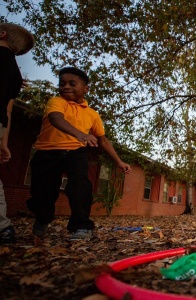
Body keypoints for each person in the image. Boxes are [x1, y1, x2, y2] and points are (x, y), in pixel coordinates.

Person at [26, 67, 131, 241]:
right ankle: (42, 219)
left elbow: (102, 140)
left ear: (85, 88)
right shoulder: (57, 102)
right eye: (62, 84)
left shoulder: (92, 114)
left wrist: (119, 161)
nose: (66, 87)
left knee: (81, 187)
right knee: (43, 193)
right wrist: (80, 134)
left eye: (72, 83)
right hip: (47, 153)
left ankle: (81, 226)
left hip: (75, 152)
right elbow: (55, 119)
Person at [0, 23, 35, 244]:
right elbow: (8, 110)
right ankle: (3, 228)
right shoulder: (14, 74)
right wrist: (4, 140)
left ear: (2, 34)